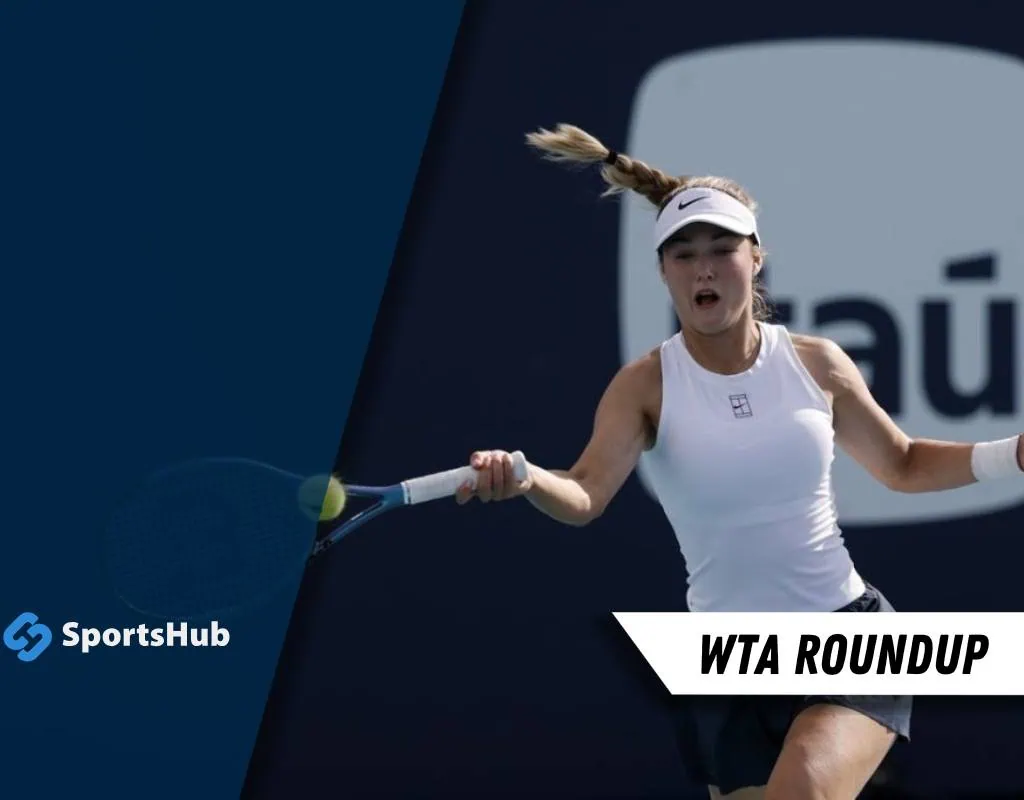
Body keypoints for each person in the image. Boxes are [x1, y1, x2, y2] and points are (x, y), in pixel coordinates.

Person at [453, 123, 1024, 800]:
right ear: (664, 271)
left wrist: (1012, 454)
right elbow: (584, 494)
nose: (704, 269)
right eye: (684, 254)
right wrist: (525, 477)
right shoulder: (644, 386)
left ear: (756, 258)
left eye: (722, 250)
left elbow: (902, 464)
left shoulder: (819, 364)